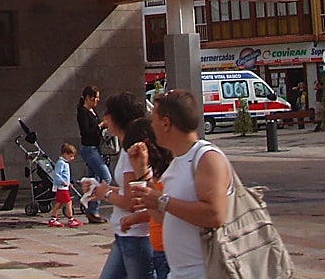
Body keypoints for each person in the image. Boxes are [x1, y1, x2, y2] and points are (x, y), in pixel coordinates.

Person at [125, 90, 231, 279]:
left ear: (166, 123)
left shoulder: (206, 158)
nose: (151, 125)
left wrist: (162, 200)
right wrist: (142, 173)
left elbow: (215, 215)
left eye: (153, 119)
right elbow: (162, 217)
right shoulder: (177, 162)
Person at [90, 93, 152, 278]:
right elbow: (129, 190)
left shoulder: (130, 151)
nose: (104, 119)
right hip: (125, 236)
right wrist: (101, 190)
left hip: (135, 236)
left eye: (107, 113)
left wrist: (105, 194)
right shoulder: (129, 149)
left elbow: (133, 201)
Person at [118, 117, 173, 279]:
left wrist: (142, 175)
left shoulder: (169, 173)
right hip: (159, 249)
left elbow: (166, 212)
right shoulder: (156, 173)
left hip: (169, 251)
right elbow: (159, 211)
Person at [76, 85, 111, 224]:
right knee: (105, 177)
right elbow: (86, 131)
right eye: (95, 98)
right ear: (88, 98)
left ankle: (91, 211)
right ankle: (93, 207)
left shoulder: (92, 111)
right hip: (89, 148)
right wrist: (100, 125)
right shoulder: (83, 112)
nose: (97, 101)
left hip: (95, 147)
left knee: (93, 179)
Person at [47, 143, 82, 228]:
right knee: (68, 202)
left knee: (59, 203)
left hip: (63, 187)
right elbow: (57, 174)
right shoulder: (61, 163)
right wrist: (63, 182)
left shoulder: (64, 163)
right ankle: (70, 219)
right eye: (71, 156)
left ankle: (53, 219)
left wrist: (68, 182)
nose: (72, 158)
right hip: (61, 187)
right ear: (65, 154)